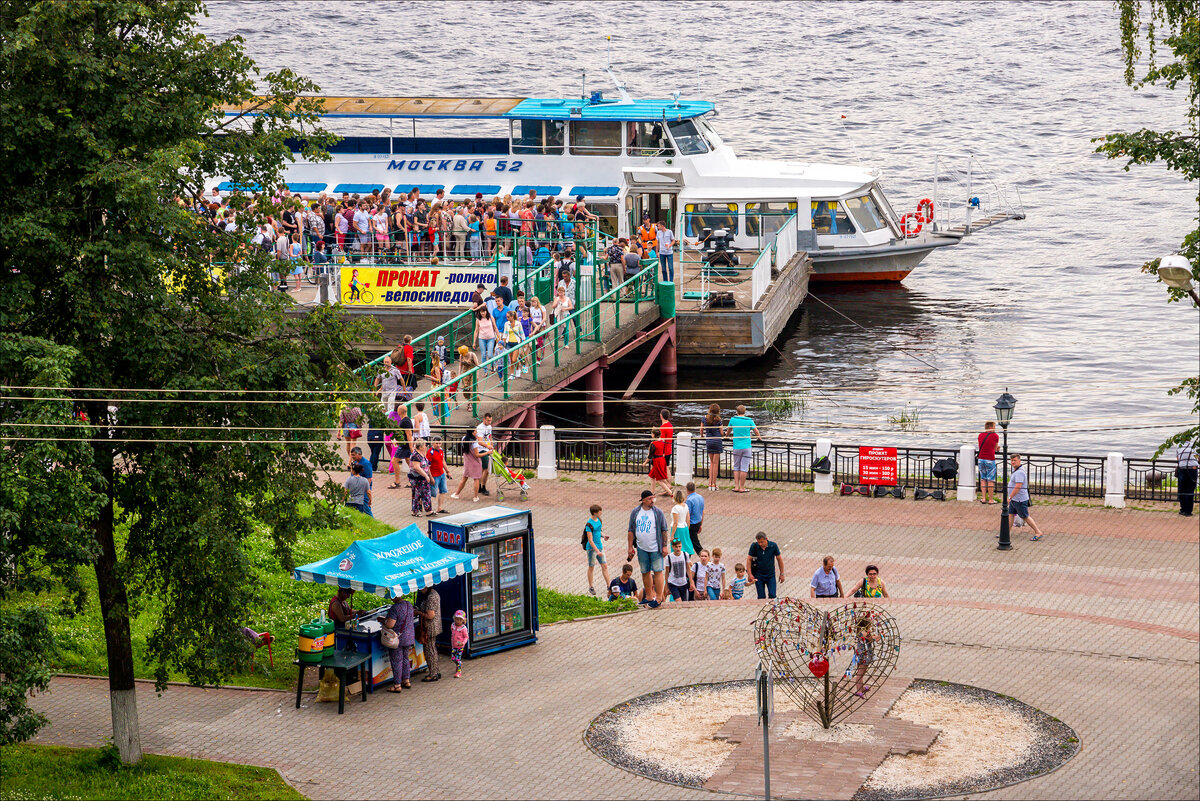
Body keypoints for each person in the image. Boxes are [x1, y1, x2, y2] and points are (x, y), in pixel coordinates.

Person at [626, 490, 668, 607]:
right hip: (641, 547)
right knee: (645, 571)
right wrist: (630, 547)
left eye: (653, 498)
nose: (652, 501)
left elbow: (664, 530)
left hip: (656, 548)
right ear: (643, 500)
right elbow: (631, 530)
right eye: (649, 499)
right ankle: (648, 596)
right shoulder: (636, 512)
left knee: (658, 571)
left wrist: (664, 546)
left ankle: (659, 598)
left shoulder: (658, 512)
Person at [1007, 454, 1046, 541]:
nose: (1013, 462)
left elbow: (1018, 487)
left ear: (1019, 461)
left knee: (1025, 516)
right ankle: (1006, 532)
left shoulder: (1020, 472)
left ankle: (1038, 531)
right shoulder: (1016, 470)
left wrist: (1010, 497)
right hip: (1015, 499)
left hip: (1019, 499)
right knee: (1010, 515)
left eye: (1015, 460)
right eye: (1012, 460)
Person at [382, 595, 415, 692]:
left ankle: (397, 685)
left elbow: (390, 625)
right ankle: (406, 680)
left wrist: (384, 621)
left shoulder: (395, 608)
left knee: (397, 661)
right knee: (405, 658)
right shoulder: (408, 604)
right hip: (409, 637)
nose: (391, 599)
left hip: (398, 639)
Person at [725, 404, 761, 493]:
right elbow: (756, 431)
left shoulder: (733, 420)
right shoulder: (749, 420)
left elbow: (729, 430)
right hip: (747, 446)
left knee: (736, 466)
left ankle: (736, 486)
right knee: (744, 467)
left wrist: (726, 436)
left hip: (736, 446)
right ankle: (742, 487)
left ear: (737, 412)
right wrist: (759, 437)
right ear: (744, 412)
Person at [415, 585, 442, 682]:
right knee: (432, 648)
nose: (419, 590)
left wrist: (418, 613)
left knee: (429, 650)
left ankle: (433, 674)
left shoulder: (431, 597)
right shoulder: (433, 593)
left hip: (430, 628)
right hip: (434, 626)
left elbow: (430, 615)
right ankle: (435, 671)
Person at [746, 531, 784, 599]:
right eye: (758, 542)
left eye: (762, 542)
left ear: (766, 539)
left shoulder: (773, 546)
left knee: (772, 595)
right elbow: (749, 559)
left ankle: (772, 608)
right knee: (761, 597)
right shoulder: (754, 546)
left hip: (770, 575)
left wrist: (782, 574)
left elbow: (779, 559)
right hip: (759, 575)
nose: (760, 544)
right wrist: (750, 574)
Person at [584, 504, 610, 596]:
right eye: (600, 511)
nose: (601, 512)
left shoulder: (598, 520)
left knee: (605, 566)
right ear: (595, 513)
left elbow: (599, 531)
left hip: (599, 547)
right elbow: (590, 540)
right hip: (592, 549)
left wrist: (604, 536)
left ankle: (609, 586)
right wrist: (597, 551)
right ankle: (591, 587)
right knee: (591, 567)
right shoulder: (589, 524)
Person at [386, 406, 415, 488]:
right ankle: (413, 480)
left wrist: (411, 446)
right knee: (410, 463)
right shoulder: (406, 420)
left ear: (399, 411)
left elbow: (409, 434)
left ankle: (397, 481)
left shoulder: (405, 421)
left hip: (404, 446)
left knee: (394, 461)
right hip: (405, 445)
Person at [852, 616, 876, 698]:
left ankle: (861, 688)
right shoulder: (863, 633)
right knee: (860, 673)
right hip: (864, 655)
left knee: (861, 672)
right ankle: (859, 690)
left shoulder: (860, 632)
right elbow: (871, 639)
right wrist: (880, 636)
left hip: (862, 654)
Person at [701, 404, 724, 491]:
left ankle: (710, 484)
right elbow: (721, 432)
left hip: (709, 441)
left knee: (711, 463)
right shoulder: (719, 420)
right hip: (717, 441)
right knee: (715, 464)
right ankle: (714, 484)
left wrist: (702, 436)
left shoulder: (704, 418)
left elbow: (701, 429)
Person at [409, 439, 434, 517]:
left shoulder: (422, 454)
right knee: (417, 494)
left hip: (423, 477)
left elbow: (426, 466)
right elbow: (416, 467)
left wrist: (430, 476)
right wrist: (425, 475)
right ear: (420, 447)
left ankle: (428, 510)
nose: (426, 447)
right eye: (424, 445)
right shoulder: (415, 456)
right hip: (416, 478)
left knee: (426, 493)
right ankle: (415, 511)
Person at [644, 428, 672, 497]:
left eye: (651, 433)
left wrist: (645, 463)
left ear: (653, 435)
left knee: (659, 480)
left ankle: (671, 493)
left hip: (657, 461)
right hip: (662, 460)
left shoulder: (653, 444)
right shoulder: (662, 441)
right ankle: (652, 493)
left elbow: (650, 456)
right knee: (652, 477)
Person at [428, 436, 452, 514]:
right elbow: (427, 466)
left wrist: (447, 471)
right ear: (433, 443)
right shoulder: (430, 453)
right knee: (432, 493)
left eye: (439, 443)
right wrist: (430, 477)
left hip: (441, 474)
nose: (438, 445)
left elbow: (443, 461)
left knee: (443, 491)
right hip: (434, 475)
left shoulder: (441, 450)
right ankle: (427, 507)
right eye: (436, 443)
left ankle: (440, 508)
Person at [977, 421, 999, 504]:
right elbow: (995, 448)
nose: (995, 429)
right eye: (994, 427)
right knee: (990, 480)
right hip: (990, 459)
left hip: (981, 459)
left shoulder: (980, 435)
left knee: (983, 479)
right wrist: (998, 449)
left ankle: (983, 498)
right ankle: (990, 499)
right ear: (990, 427)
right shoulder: (995, 436)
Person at [349, 446, 374, 517]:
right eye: (352, 455)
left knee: (366, 508)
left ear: (359, 454)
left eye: (353, 455)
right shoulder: (355, 462)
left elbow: (369, 478)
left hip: (364, 489)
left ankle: (372, 522)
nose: (352, 457)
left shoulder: (366, 464)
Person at [1176, 438, 1198, 517]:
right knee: (1190, 490)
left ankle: (1183, 509)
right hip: (1192, 470)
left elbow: (1178, 459)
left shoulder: (1179, 446)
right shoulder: (1195, 446)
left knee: (1182, 489)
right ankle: (1188, 511)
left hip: (1182, 469)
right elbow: (1198, 459)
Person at [668, 488, 693, 556]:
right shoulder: (686, 505)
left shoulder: (675, 508)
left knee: (677, 545)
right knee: (685, 544)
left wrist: (672, 535)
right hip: (684, 527)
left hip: (678, 529)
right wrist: (687, 528)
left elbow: (675, 523)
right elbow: (688, 519)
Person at [684, 482, 705, 555]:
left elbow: (687, 514)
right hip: (698, 522)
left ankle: (703, 556)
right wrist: (701, 524)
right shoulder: (700, 497)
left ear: (687, 489)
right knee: (692, 541)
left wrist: (686, 527)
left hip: (691, 524)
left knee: (694, 543)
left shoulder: (689, 500)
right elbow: (702, 511)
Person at [449, 611, 469, 679]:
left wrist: (463, 643)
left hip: (460, 646)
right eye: (457, 619)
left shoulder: (463, 628)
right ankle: (459, 663)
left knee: (457, 658)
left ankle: (459, 671)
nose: (458, 621)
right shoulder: (453, 626)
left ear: (463, 620)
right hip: (454, 646)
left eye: (460, 619)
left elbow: (466, 637)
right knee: (453, 657)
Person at [659, 408, 675, 486]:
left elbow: (662, 441)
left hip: (664, 451)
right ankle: (669, 485)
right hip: (669, 449)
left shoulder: (663, 427)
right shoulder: (670, 425)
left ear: (661, 416)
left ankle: (668, 486)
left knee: (665, 469)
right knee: (667, 468)